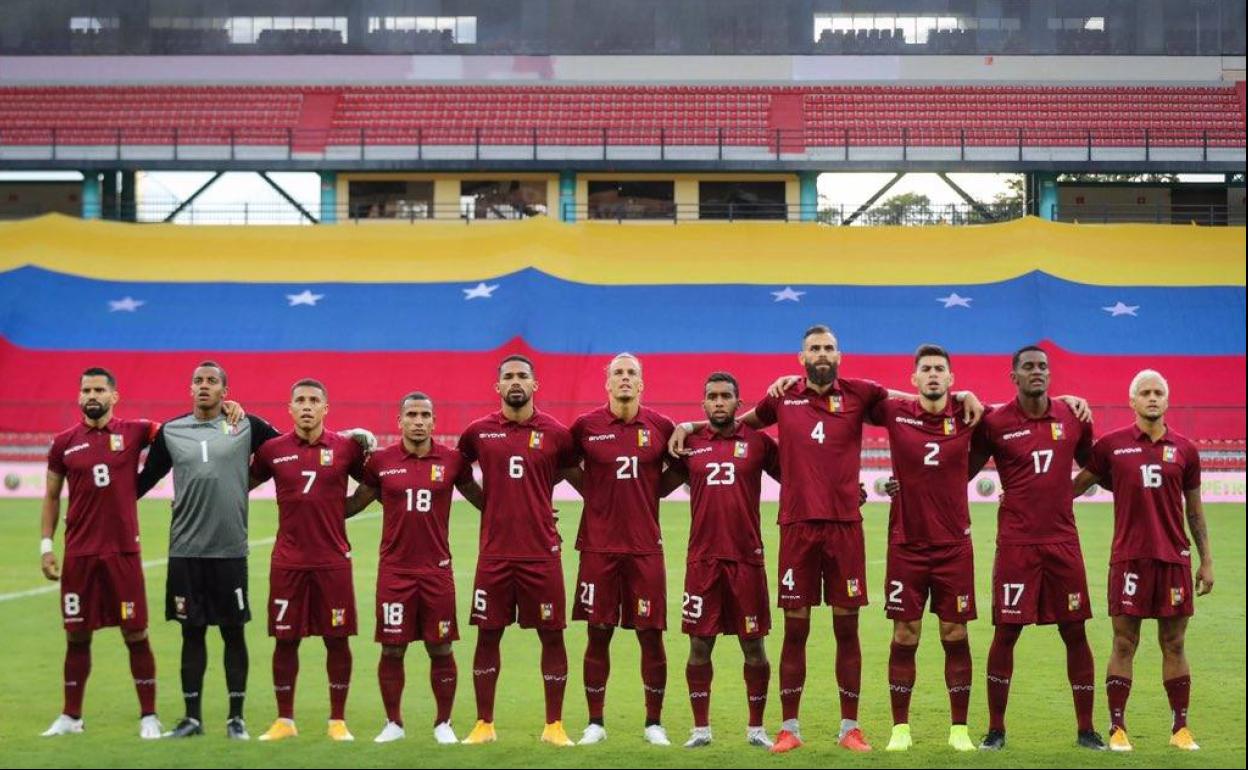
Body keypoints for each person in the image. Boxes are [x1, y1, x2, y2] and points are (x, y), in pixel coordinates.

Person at [969, 346, 1104, 750]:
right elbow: (962, 470)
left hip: (1063, 543)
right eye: (1028, 367)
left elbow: (1096, 464)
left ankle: (1086, 729)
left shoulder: (1072, 416)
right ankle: (996, 730)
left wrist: (1067, 492)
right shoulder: (994, 422)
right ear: (1013, 376)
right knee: (1006, 632)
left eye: (1043, 366)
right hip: (1017, 545)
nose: (1037, 372)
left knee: (1075, 630)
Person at [1072, 369, 1213, 752]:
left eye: (1158, 392)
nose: (1152, 398)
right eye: (1145, 392)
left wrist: (1206, 561)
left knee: (1175, 643)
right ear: (1131, 401)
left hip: (1174, 560)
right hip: (1129, 560)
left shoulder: (1185, 449)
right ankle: (1117, 728)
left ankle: (1180, 729)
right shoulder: (1112, 446)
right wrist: (1026, 500)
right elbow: (1075, 487)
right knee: (1124, 643)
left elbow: (1195, 510)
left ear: (1167, 400)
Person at [136, 361, 277, 740]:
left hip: (230, 551)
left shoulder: (247, 426)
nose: (204, 386)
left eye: (212, 381)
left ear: (225, 391)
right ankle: (192, 719)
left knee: (233, 633)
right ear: (190, 388)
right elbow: (142, 482)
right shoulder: (172, 431)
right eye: (198, 380)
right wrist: (96, 506)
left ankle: (236, 719)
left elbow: (288, 453)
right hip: (186, 551)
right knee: (192, 633)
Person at [345, 391, 484, 744]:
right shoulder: (381, 461)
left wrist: (529, 512)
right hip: (395, 574)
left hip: (437, 573)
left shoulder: (452, 461)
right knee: (392, 649)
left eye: (424, 415)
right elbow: (353, 504)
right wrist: (309, 502)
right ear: (400, 421)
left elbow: (484, 501)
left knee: (441, 648)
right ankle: (393, 723)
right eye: (412, 415)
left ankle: (443, 723)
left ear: (434, 422)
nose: (418, 421)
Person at [457, 355, 579, 746]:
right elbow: (458, 472)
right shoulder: (478, 432)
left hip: (541, 555)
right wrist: (487, 503)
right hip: (494, 555)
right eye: (508, 376)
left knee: (552, 636)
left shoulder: (556, 433)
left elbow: (572, 472)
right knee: (487, 636)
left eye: (522, 376)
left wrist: (537, 499)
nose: (515, 381)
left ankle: (554, 726)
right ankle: (484, 724)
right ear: (497, 386)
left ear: (534, 384)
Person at [40, 367, 163, 739]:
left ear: (114, 396)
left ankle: (149, 716)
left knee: (135, 633)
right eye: (86, 390)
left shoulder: (136, 431)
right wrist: (46, 546)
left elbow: (176, 434)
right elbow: (51, 496)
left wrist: (144, 482)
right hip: (79, 555)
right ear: (79, 396)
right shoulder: (63, 442)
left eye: (98, 390)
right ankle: (71, 717)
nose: (91, 396)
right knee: (77, 636)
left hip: (122, 553)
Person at [666, 372, 780, 749]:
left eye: (725, 396)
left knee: (754, 647)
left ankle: (756, 729)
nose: (718, 402)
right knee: (699, 646)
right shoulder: (690, 444)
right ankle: (700, 729)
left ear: (737, 402)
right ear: (703, 403)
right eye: (712, 396)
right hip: (702, 562)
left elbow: (797, 477)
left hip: (747, 561)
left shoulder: (758, 443)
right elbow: (654, 488)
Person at [250, 379, 367, 742]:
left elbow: (375, 483)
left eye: (314, 400)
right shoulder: (272, 450)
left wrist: (342, 510)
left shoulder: (346, 448)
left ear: (325, 408)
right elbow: (240, 484)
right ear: (289, 408)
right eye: (299, 400)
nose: (306, 406)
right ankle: (284, 720)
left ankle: (337, 721)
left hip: (333, 562)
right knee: (286, 640)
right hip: (288, 563)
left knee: (337, 639)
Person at [570, 353, 677, 746]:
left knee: (651, 635)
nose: (625, 378)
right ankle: (595, 723)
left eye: (632, 373)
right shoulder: (585, 427)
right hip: (598, 548)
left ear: (642, 383)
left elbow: (683, 465)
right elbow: (561, 463)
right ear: (608, 383)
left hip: (645, 549)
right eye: (618, 373)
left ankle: (654, 724)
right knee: (598, 633)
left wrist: (653, 492)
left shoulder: (661, 426)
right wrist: (593, 492)